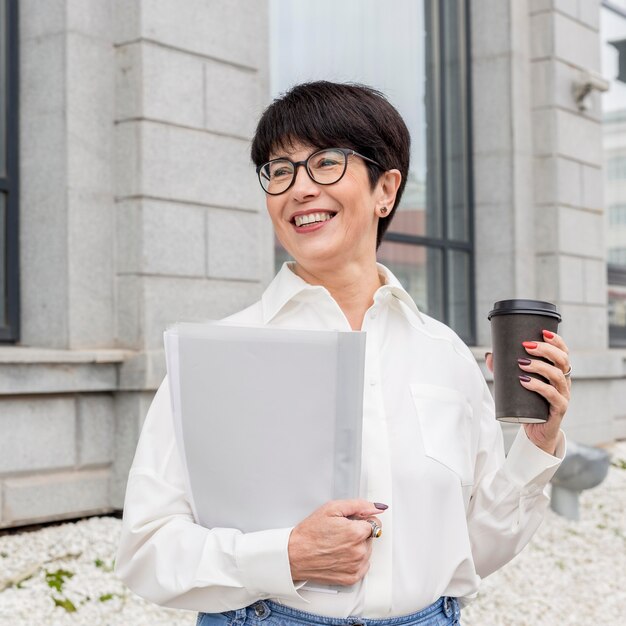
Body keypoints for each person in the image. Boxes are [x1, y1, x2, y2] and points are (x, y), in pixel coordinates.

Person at [115, 81, 571, 626]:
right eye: (281, 171)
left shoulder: (443, 351)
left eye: (326, 163)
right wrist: (282, 556)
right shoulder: (220, 353)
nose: (300, 188)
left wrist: (537, 445)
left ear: (386, 189)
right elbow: (146, 550)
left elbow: (472, 547)